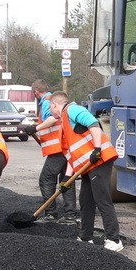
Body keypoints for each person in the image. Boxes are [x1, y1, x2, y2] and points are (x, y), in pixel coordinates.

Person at [47, 90, 123, 251]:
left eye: (49, 107)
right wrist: (66, 179)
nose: (49, 111)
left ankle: (114, 239)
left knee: (102, 199)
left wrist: (97, 149)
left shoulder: (72, 109)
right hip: (89, 165)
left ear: (54, 104)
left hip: (100, 160)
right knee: (86, 201)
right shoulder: (65, 122)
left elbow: (93, 123)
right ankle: (85, 237)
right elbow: (72, 154)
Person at [25, 79, 78, 223]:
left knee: (46, 179)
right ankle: (70, 215)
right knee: (66, 180)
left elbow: (53, 118)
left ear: (36, 92)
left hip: (58, 149)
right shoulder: (54, 99)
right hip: (65, 147)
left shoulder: (47, 102)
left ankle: (51, 214)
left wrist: (35, 128)